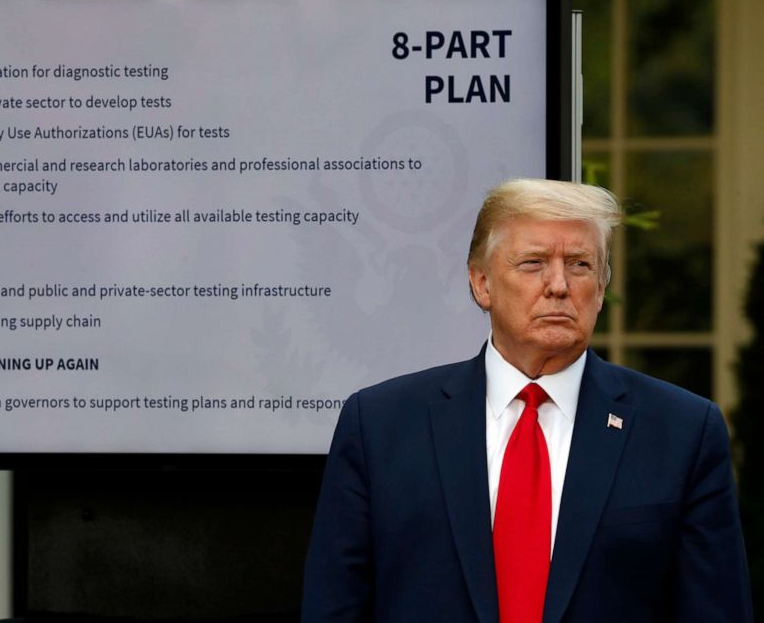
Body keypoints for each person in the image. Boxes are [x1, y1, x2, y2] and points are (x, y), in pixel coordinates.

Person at [302, 178, 753, 622]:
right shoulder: (381, 425)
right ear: (482, 284)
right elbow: (336, 605)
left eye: (580, 265)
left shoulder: (682, 430)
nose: (559, 285)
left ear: (601, 288)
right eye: (533, 263)